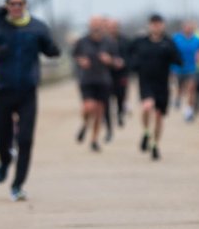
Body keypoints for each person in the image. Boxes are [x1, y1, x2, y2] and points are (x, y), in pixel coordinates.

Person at [0, 0, 61, 201]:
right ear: (7, 6)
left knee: (25, 139)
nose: (16, 7)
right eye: (12, 4)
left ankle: (17, 185)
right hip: (2, 90)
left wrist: (51, 47)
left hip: (27, 92)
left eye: (19, 4)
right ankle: (5, 160)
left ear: (25, 6)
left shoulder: (37, 27)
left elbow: (52, 50)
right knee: (1, 138)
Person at [130, 14, 182, 161]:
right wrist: (132, 65)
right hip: (145, 81)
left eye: (159, 24)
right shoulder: (141, 41)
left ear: (163, 25)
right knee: (147, 106)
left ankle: (155, 144)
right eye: (153, 24)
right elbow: (128, 54)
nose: (156, 27)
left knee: (159, 116)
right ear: (149, 25)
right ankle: (146, 132)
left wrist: (171, 56)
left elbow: (178, 60)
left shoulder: (168, 42)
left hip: (162, 83)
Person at [73, 16, 119, 152]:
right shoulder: (82, 41)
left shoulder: (109, 42)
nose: (96, 27)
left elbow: (117, 61)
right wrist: (81, 61)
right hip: (87, 80)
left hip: (103, 80)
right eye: (93, 24)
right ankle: (85, 123)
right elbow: (75, 56)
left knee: (99, 112)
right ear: (90, 25)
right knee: (89, 107)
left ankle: (94, 139)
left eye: (98, 24)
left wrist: (109, 60)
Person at [172, 20, 199, 122]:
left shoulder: (197, 40)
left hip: (192, 68)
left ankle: (189, 111)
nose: (189, 29)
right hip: (178, 68)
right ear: (183, 28)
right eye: (187, 27)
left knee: (191, 88)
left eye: (191, 28)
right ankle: (177, 98)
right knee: (180, 88)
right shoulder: (176, 38)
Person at [104, 18, 131, 137]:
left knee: (120, 96)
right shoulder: (103, 42)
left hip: (121, 74)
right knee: (106, 100)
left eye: (114, 26)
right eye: (110, 27)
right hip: (106, 74)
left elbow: (131, 56)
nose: (112, 29)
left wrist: (123, 62)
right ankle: (108, 125)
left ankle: (120, 113)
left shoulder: (125, 41)